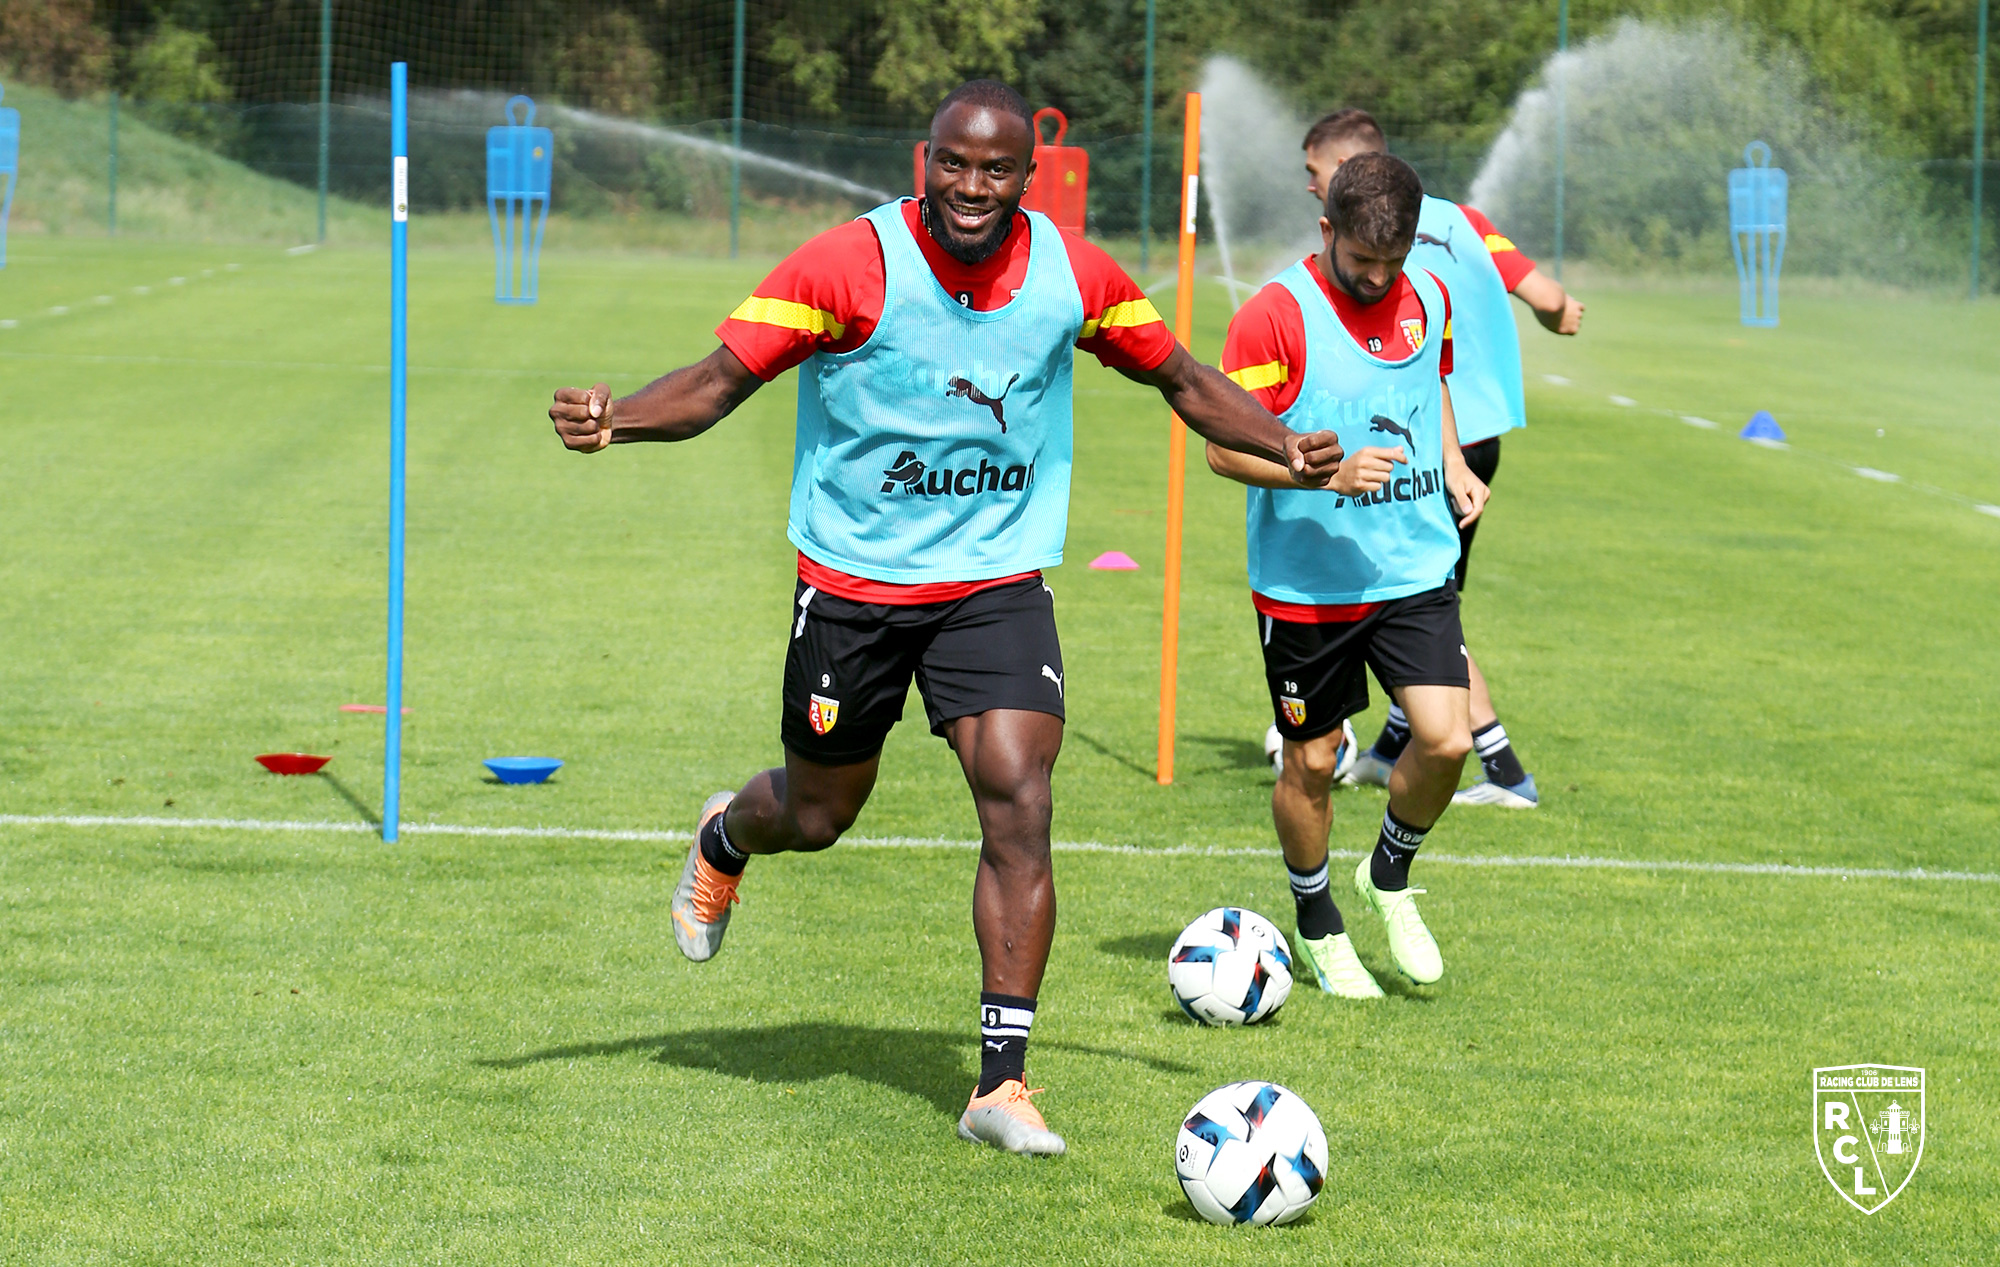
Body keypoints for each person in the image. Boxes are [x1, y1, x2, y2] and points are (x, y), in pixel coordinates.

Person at [548, 80, 1343, 1156]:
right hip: (853, 588)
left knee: (1018, 792)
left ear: (1028, 175)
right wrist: (617, 422)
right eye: (953, 165)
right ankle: (726, 833)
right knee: (821, 813)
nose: (972, 187)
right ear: (923, 162)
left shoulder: (1074, 274)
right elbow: (715, 380)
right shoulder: (846, 265)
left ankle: (1000, 1086)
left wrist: (1285, 443)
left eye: (995, 169)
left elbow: (1185, 379)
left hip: (993, 581)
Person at [1207, 152, 1486, 999]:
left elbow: (1429, 383)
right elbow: (1223, 449)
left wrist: (1452, 462)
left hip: (1412, 563)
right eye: (1362, 263)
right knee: (1314, 762)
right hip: (1307, 586)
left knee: (1447, 737)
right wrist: (1318, 475)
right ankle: (1318, 917)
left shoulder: (1428, 296)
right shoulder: (1273, 317)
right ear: (1326, 231)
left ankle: (1389, 877)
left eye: (1391, 265)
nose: (1378, 279)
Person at [1302, 108, 1584, 809]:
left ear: (1348, 174)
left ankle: (1504, 769)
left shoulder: (1371, 240)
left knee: (1417, 600)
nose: (1309, 188)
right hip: (1483, 436)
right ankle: (1384, 752)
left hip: (1433, 436)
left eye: (1315, 174)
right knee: (1422, 593)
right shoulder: (1470, 220)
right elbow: (1553, 302)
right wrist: (1559, 314)